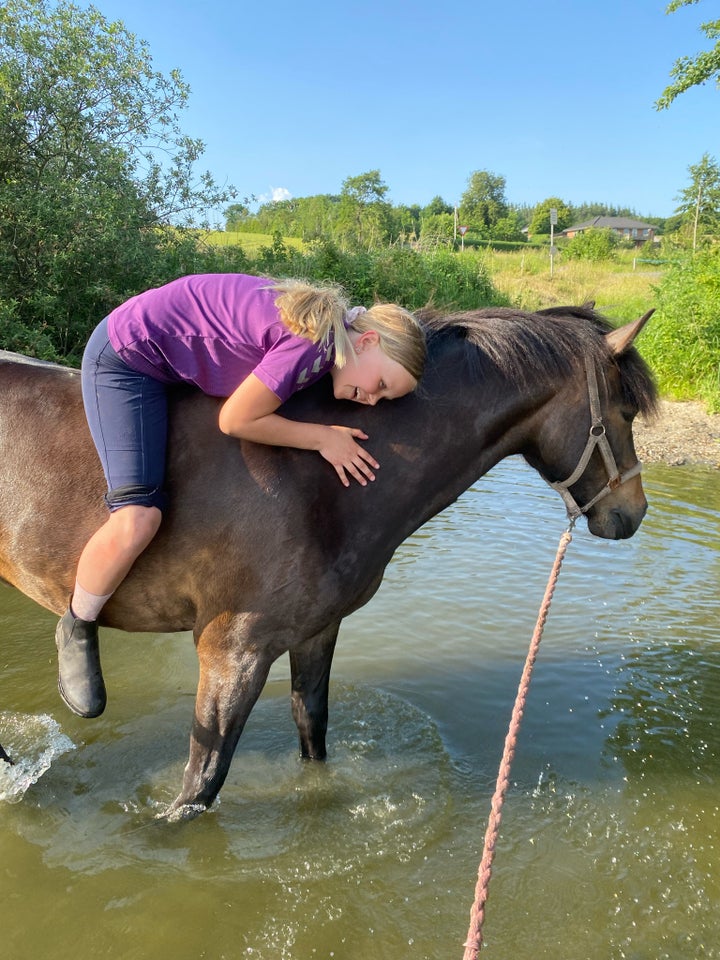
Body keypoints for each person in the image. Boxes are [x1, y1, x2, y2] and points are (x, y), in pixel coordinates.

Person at [55, 273, 426, 719]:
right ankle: (78, 623)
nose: (371, 402)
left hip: (175, 355)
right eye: (381, 386)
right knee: (138, 518)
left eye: (383, 401)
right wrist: (322, 438)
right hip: (129, 355)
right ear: (366, 341)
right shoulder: (313, 344)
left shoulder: (329, 342)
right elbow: (235, 420)